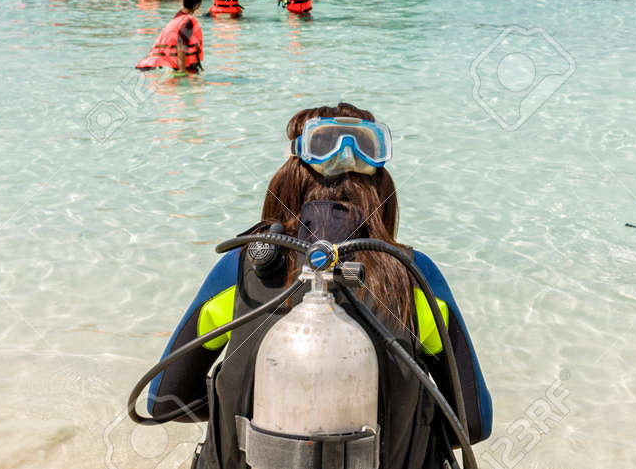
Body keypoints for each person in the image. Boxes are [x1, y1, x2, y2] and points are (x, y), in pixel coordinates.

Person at [145, 103, 492, 468]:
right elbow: (472, 423)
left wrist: (242, 412)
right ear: (381, 187)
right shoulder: (414, 276)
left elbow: (164, 400)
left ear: (287, 177)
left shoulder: (239, 267)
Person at [135, 0, 204, 73]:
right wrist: (182, 72)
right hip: (164, 67)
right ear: (198, 4)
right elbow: (181, 46)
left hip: (154, 65)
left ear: (183, 0)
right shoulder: (188, 22)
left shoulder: (179, 16)